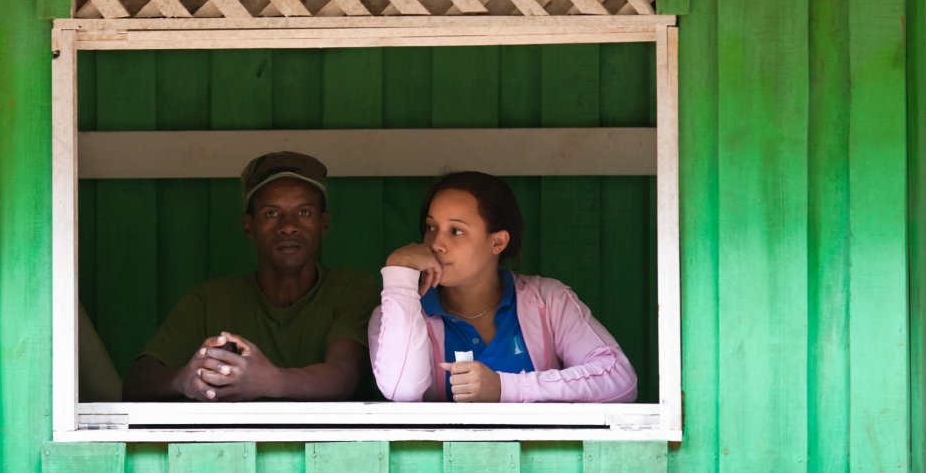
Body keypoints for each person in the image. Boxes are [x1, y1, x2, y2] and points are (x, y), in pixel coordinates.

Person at [123, 151, 379, 401]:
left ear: (324, 224)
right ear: (249, 226)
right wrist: (185, 379)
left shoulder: (352, 290)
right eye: (271, 213)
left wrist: (269, 380)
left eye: (304, 212)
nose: (288, 226)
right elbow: (136, 382)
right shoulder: (210, 301)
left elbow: (344, 378)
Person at [369, 171, 637, 403]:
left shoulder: (547, 300)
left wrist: (505, 388)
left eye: (456, 231)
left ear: (498, 242)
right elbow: (401, 390)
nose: (436, 243)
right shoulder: (398, 310)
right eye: (430, 227)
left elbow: (619, 378)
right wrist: (398, 275)